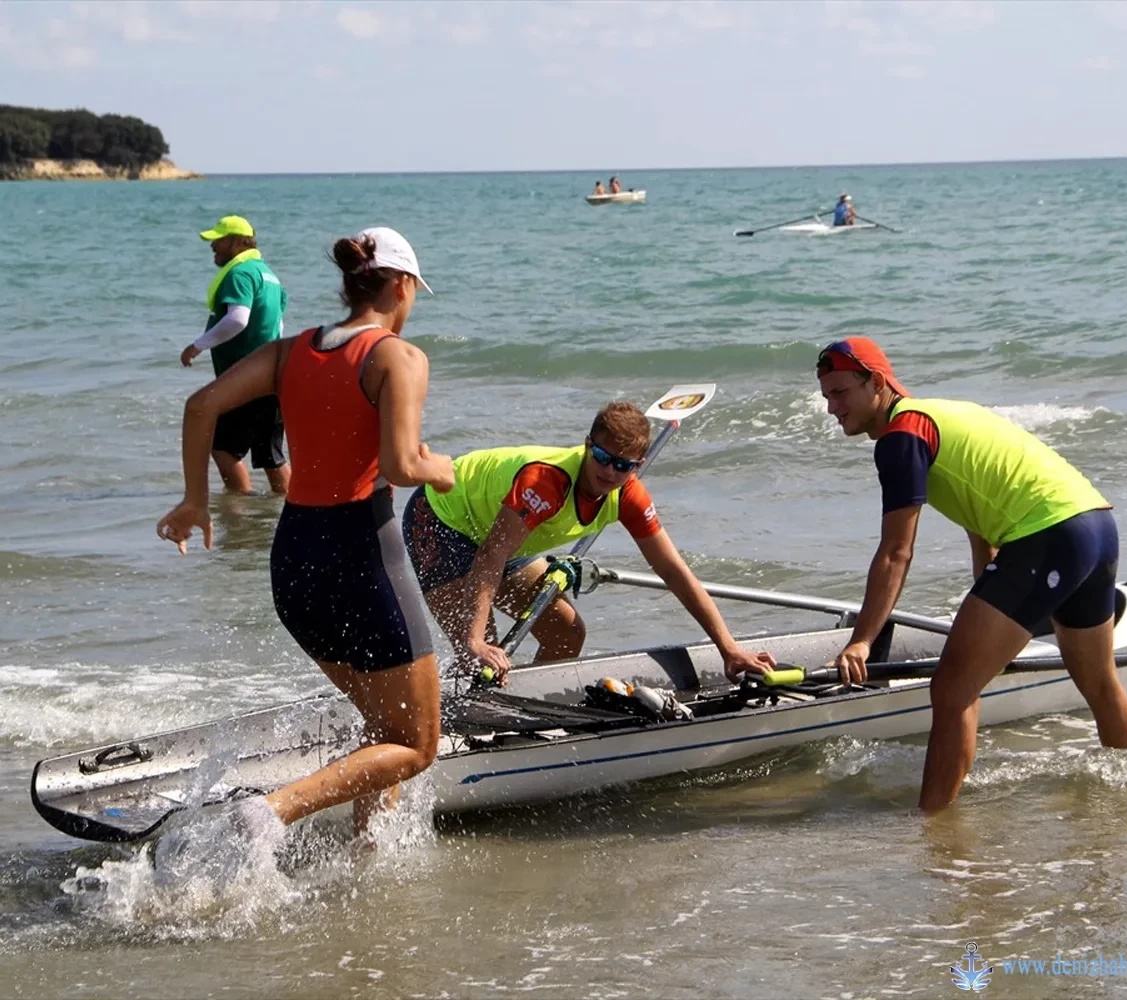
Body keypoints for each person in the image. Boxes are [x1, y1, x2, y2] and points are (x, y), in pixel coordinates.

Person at [157, 226, 455, 839]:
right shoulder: (399, 357)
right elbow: (402, 466)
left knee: (381, 726)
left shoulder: (291, 351)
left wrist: (194, 501)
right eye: (414, 290)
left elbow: (199, 407)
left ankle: (369, 859)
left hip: (294, 560)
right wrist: (440, 469)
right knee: (417, 743)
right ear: (401, 285)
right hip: (362, 556)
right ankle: (268, 814)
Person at [815, 337, 1127, 811]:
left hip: (1048, 537)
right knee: (1098, 682)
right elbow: (980, 514)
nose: (832, 408)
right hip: (1094, 524)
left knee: (951, 690)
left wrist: (862, 640)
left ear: (878, 383)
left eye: (841, 392)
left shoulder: (901, 437)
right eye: (827, 396)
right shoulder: (937, 415)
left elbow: (895, 553)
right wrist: (993, 621)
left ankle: (933, 829)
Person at [402, 402, 777, 682]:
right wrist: (475, 640)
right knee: (479, 656)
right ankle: (449, 725)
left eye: (624, 465)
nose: (610, 472)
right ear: (586, 446)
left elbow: (673, 571)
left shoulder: (628, 496)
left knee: (566, 633)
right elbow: (491, 555)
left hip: (500, 535)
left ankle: (520, 712)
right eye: (601, 456)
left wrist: (728, 647)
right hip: (440, 519)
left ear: (638, 465)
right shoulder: (546, 483)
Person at [180, 215, 291, 496]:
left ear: (241, 243)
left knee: (223, 450)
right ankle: (291, 508)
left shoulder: (239, 274)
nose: (213, 246)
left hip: (244, 378)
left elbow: (238, 319)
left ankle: (240, 514)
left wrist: (198, 345)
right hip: (272, 377)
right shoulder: (270, 276)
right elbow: (279, 325)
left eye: (219, 240)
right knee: (271, 456)